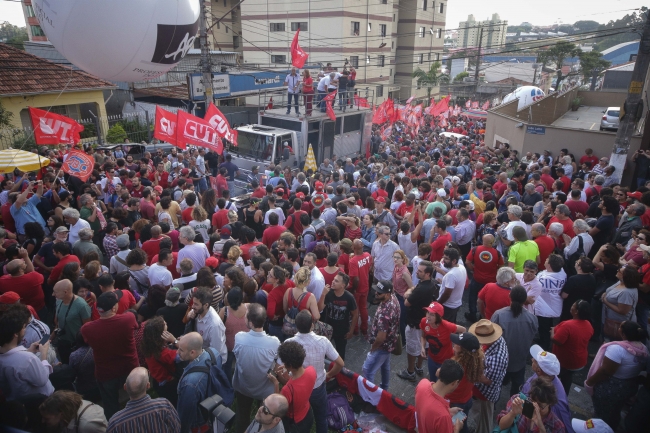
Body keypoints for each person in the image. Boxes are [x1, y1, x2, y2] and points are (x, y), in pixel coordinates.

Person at [81, 291, 139, 420]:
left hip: (106, 372)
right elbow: (135, 325)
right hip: (129, 367)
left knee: (110, 404)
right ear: (114, 307)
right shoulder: (128, 318)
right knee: (137, 396)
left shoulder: (87, 328)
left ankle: (114, 425)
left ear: (97, 308)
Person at [286, 311, 344, 433]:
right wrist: (329, 374)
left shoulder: (289, 343)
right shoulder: (323, 341)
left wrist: (288, 381)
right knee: (321, 418)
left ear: (296, 326)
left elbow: (279, 368)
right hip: (317, 386)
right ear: (312, 325)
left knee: (299, 419)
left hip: (297, 389)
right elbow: (340, 363)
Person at [585, 321, 649, 430]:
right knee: (614, 410)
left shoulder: (617, 349)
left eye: (620, 327)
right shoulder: (643, 349)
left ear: (624, 334)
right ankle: (612, 424)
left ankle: (599, 428)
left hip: (612, 388)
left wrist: (589, 382)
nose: (618, 327)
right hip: (629, 386)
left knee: (602, 413)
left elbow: (605, 371)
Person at [232, 303, 281, 433]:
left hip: (244, 387)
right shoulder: (274, 342)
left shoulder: (239, 337)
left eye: (245, 317)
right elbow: (278, 363)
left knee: (242, 414)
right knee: (263, 417)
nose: (243, 318)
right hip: (264, 389)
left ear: (251, 323)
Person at [0, 303, 54, 400]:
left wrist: (29, 351)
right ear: (15, 334)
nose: (25, 330)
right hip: (38, 402)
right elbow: (42, 380)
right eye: (23, 328)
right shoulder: (28, 359)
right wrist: (44, 355)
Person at [106, 367, 180, 433]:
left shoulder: (115, 423)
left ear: (125, 387)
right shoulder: (164, 406)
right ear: (148, 385)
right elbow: (177, 428)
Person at [397, 260, 436, 382]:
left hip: (415, 323)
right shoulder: (432, 284)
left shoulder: (421, 289)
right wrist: (411, 290)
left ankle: (410, 372)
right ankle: (419, 367)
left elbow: (407, 302)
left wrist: (408, 292)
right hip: (426, 322)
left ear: (428, 274)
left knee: (412, 347)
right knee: (423, 345)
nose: (416, 272)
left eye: (420, 271)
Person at [468, 319, 508, 433]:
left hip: (485, 394)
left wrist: (468, 368)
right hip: (478, 391)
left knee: (483, 424)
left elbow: (486, 380)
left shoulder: (497, 357)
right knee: (478, 416)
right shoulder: (495, 340)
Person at [267, 341, 316, 433]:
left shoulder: (287, 390)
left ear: (290, 366)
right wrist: (287, 372)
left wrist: (276, 383)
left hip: (293, 423)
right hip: (307, 414)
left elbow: (278, 407)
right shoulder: (311, 370)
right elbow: (299, 383)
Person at [521, 345, 572, 433]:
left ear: (539, 370)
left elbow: (565, 426)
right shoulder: (547, 375)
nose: (532, 360)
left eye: (535, 361)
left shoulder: (556, 402)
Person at [176, 332, 220, 433]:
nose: (177, 352)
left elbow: (186, 415)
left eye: (181, 350)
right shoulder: (214, 353)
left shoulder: (190, 383)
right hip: (212, 410)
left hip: (198, 424)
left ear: (192, 352)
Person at [362, 280, 400, 390]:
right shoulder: (393, 298)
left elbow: (381, 337)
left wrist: (373, 348)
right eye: (376, 291)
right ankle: (384, 389)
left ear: (387, 294)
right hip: (390, 342)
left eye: (379, 293)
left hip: (381, 346)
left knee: (367, 370)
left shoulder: (385, 313)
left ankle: (370, 396)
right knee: (385, 366)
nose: (376, 293)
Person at [552, 300, 593, 396]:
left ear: (576, 312)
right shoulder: (588, 324)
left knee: (554, 379)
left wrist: (552, 331)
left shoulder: (567, 325)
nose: (571, 306)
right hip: (578, 361)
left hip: (564, 361)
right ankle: (563, 397)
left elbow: (557, 340)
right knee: (567, 378)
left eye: (573, 305)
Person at [497, 377, 566, 433]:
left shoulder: (557, 426)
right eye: (532, 401)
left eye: (539, 405)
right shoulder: (519, 401)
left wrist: (541, 427)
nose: (534, 407)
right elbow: (501, 426)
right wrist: (512, 413)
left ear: (549, 403)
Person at [414, 359, 467, 433]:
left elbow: (427, 409)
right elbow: (437, 413)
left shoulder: (422, 384)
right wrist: (457, 429)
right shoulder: (443, 417)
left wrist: (448, 411)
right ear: (455, 383)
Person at [446, 332, 484, 433]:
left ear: (463, 351)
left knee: (454, 427)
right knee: (463, 423)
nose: (454, 343)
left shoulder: (456, 366)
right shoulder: (475, 360)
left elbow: (441, 376)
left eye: (457, 343)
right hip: (467, 400)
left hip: (455, 403)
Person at [318, 272, 358, 360]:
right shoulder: (328, 293)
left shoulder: (349, 297)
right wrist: (323, 294)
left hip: (342, 330)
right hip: (328, 328)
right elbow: (320, 308)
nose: (332, 282)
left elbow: (355, 314)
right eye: (333, 279)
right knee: (323, 349)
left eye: (336, 281)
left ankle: (339, 371)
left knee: (340, 352)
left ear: (343, 285)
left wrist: (351, 331)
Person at [465, 233, 503, 323]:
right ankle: (483, 316)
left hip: (477, 278)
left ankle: (472, 314)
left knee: (473, 297)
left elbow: (467, 262)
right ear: (492, 242)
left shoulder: (475, 249)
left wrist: (473, 269)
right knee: (487, 299)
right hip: (491, 281)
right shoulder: (496, 253)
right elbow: (501, 266)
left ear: (483, 241)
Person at [53, 279, 92, 364]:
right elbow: (57, 323)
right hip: (62, 343)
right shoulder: (59, 301)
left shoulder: (82, 306)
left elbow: (87, 328)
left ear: (65, 292)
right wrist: (47, 340)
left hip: (75, 346)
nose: (53, 294)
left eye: (55, 292)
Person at [0, 246, 46, 318]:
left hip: (17, 310)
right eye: (23, 263)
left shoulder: (2, 281)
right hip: (38, 308)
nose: (24, 262)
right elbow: (32, 271)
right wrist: (26, 256)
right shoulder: (33, 278)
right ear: (20, 270)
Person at [187, 286, 228, 363]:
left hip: (213, 361)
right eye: (193, 303)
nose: (193, 306)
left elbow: (215, 351)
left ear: (206, 305)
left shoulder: (214, 325)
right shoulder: (198, 312)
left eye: (196, 304)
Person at [535, 254, 567, 350]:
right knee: (551, 328)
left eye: (547, 259)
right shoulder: (562, 273)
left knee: (543, 329)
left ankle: (544, 347)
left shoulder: (542, 278)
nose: (545, 260)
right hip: (556, 306)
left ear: (549, 265)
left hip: (543, 309)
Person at [600, 266, 639, 341]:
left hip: (617, 323)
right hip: (608, 318)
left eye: (619, 271)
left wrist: (605, 301)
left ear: (625, 276)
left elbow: (622, 311)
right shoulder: (620, 282)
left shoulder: (627, 292)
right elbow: (610, 290)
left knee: (612, 341)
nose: (617, 271)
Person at [39, 390, 107, 433]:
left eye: (47, 418)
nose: (42, 421)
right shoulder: (70, 409)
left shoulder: (87, 425)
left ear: (61, 414)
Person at [435, 248, 467, 323]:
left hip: (448, 306)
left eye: (446, 259)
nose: (443, 260)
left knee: (444, 327)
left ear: (454, 261)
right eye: (443, 257)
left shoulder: (451, 275)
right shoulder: (461, 267)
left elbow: (447, 294)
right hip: (456, 304)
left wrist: (438, 303)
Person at [560, 257, 596, 321]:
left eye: (577, 262)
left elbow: (564, 295)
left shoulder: (573, 279)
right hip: (584, 308)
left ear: (580, 267)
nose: (575, 263)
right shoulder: (592, 278)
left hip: (571, 309)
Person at [349, 239, 372, 336]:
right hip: (365, 286)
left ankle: (355, 329)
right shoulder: (368, 255)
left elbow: (356, 279)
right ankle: (364, 328)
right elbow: (370, 267)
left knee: (355, 310)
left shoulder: (353, 261)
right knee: (363, 308)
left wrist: (354, 289)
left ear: (353, 248)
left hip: (357, 288)